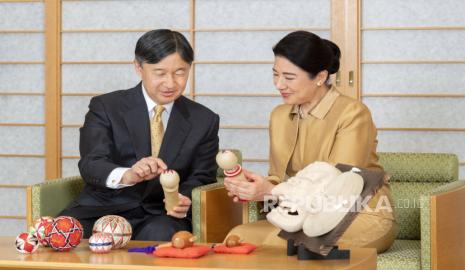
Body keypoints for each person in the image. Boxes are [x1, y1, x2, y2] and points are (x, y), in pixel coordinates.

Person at [224, 31, 397, 253]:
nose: (278, 84)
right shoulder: (279, 116)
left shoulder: (353, 113)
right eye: (275, 74)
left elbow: (339, 188)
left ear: (320, 77)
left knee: (278, 246)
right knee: (238, 237)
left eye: (289, 77)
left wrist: (272, 191)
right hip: (299, 214)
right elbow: (278, 178)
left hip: (358, 213)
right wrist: (253, 187)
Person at [59, 29, 220, 241]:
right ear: (138, 67)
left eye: (180, 72)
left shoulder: (204, 119)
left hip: (161, 215)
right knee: (60, 235)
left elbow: (202, 175)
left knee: (161, 236)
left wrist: (184, 198)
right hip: (101, 207)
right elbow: (91, 163)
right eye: (160, 73)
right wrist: (127, 175)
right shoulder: (106, 107)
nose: (171, 83)